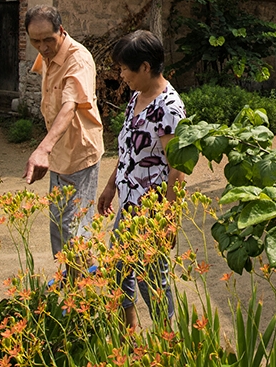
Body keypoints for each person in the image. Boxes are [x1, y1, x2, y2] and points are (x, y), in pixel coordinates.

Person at [98, 30, 186, 329]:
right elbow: (129, 148)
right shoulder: (137, 97)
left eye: (125, 68)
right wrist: (111, 184)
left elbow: (178, 168)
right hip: (129, 202)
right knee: (119, 269)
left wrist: (169, 219)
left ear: (145, 67)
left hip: (152, 209)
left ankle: (166, 338)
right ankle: (128, 331)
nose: (121, 75)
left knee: (152, 278)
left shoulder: (169, 108)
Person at [23, 5, 104, 257]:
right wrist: (49, 149)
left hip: (80, 153)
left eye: (48, 39)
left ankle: (84, 286)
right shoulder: (45, 55)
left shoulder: (78, 58)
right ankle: (70, 281)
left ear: (61, 31)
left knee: (76, 228)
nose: (43, 47)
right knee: (59, 226)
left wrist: (42, 149)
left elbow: (69, 106)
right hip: (58, 154)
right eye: (35, 41)